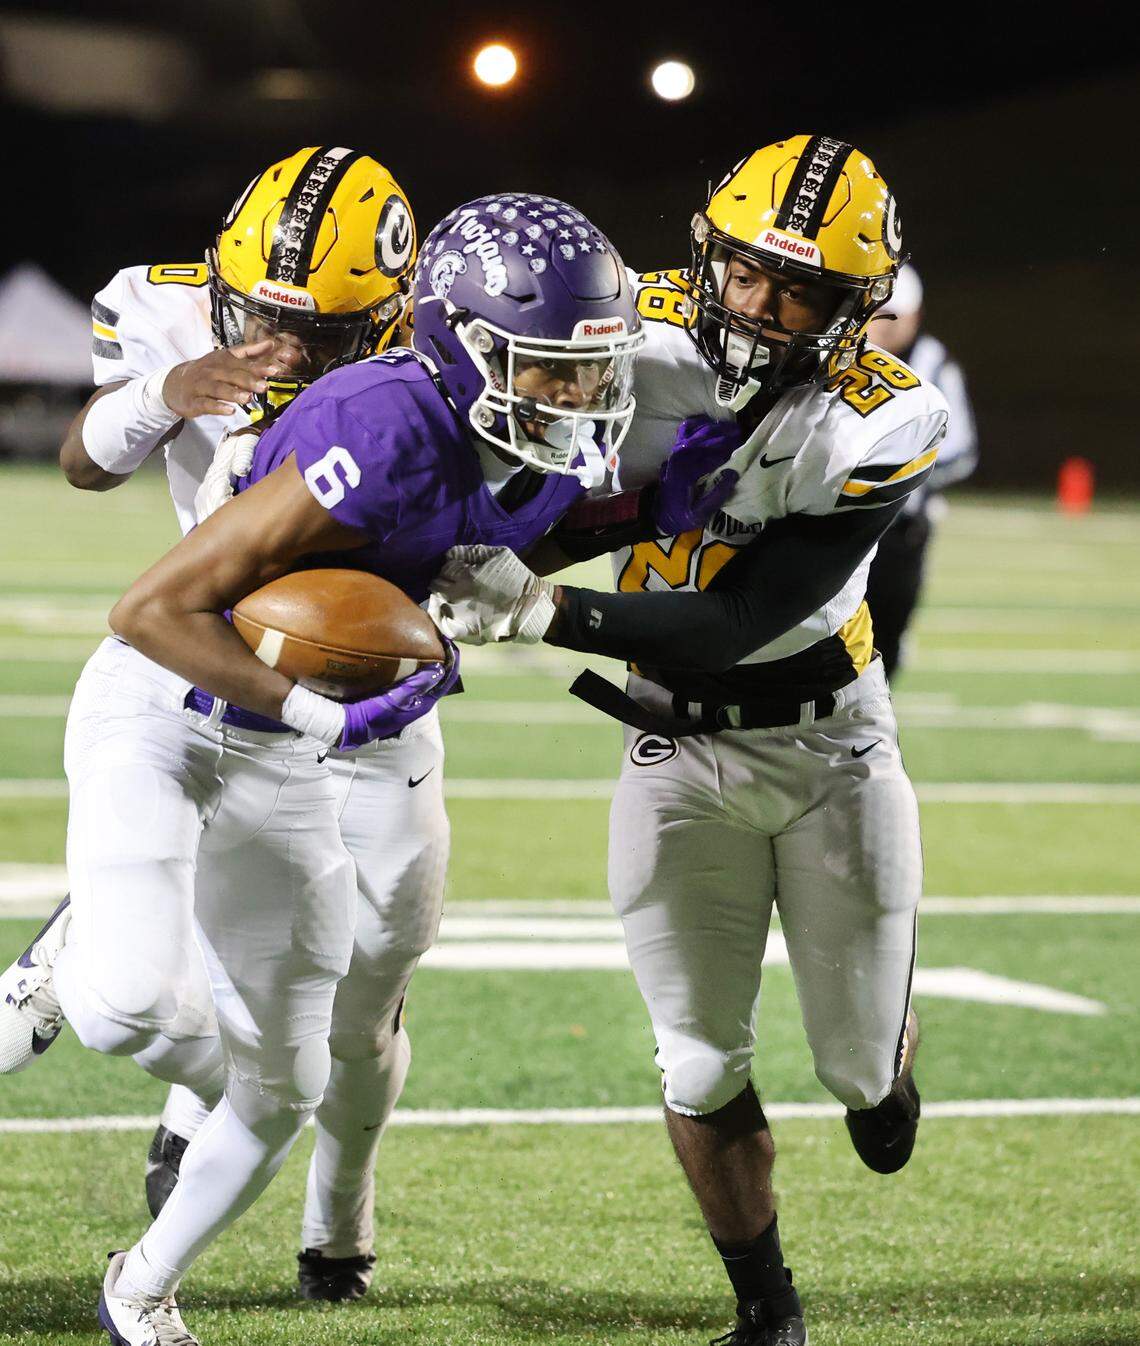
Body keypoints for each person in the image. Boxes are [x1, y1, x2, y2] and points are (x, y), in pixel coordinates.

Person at [3, 190, 735, 1346]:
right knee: (135, 1003)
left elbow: (510, 530)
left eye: (586, 370)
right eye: (548, 369)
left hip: (315, 741)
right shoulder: (382, 421)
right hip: (181, 700)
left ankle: (141, 1286)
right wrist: (313, 708)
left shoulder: (530, 439)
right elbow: (149, 609)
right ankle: (87, 965)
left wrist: (595, 544)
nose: (577, 396)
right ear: (463, 343)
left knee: (298, 1075)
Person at [430, 136, 949, 1346]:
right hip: (672, 745)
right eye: (748, 273)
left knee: (856, 1080)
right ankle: (768, 1312)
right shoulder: (626, 325)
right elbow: (534, 467)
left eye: (803, 289)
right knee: (698, 1057)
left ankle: (889, 1058)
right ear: (707, 252)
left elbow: (743, 615)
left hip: (830, 749)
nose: (763, 309)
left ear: (855, 305)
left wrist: (544, 610)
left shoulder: (883, 416)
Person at [3, 145, 438, 1305]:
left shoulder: (443, 343)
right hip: (217, 668)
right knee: (197, 958)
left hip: (374, 682)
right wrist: (162, 392)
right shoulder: (162, 304)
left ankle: (338, 1215)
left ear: (391, 314)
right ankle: (200, 1088)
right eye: (263, 320)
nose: (286, 352)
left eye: (323, 333)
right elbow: (84, 464)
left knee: (378, 973)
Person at [863, 263, 979, 677]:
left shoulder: (935, 364)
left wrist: (897, 473)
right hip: (831, 525)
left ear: (916, 314)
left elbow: (961, 451)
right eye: (880, 313)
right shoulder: (834, 356)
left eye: (898, 314)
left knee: (885, 646)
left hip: (898, 533)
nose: (888, 325)